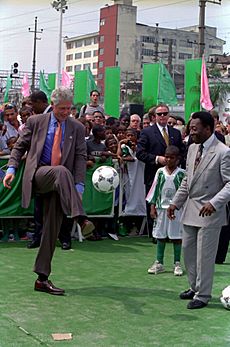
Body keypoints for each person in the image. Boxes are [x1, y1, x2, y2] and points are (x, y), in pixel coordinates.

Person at [3, 87, 94, 295]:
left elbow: (80, 157)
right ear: (52, 105)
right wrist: (11, 169)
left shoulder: (77, 128)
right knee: (61, 171)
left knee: (51, 228)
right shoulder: (36, 122)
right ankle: (81, 218)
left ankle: (42, 278)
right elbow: (19, 147)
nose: (66, 112)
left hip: (61, 184)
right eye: (62, 108)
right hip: (40, 175)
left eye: (69, 109)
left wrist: (78, 186)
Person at [167, 111, 230, 309]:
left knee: (205, 256)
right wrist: (175, 202)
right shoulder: (192, 148)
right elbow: (188, 179)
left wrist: (215, 202)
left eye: (195, 129)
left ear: (208, 128)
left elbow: (229, 183)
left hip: (210, 213)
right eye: (190, 128)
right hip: (191, 210)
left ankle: (203, 295)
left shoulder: (223, 152)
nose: (191, 132)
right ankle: (194, 287)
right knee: (188, 252)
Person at [136, 104, 185, 237]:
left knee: (173, 201)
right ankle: (154, 234)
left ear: (169, 115)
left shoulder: (175, 133)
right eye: (160, 114)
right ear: (154, 117)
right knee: (154, 202)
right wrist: (158, 159)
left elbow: (182, 152)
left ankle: (173, 233)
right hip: (154, 174)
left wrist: (176, 161)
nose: (162, 116)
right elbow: (139, 153)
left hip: (174, 176)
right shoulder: (147, 132)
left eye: (165, 113)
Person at [146, 146, 185, 276]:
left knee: (176, 237)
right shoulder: (160, 172)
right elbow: (155, 189)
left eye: (172, 157)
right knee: (160, 236)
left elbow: (184, 193)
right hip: (161, 209)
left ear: (177, 159)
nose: (168, 159)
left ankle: (177, 263)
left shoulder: (182, 173)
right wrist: (152, 206)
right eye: (166, 157)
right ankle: (159, 262)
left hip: (176, 210)